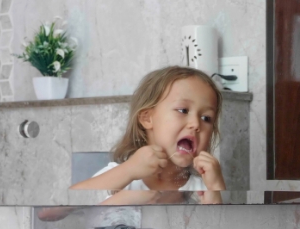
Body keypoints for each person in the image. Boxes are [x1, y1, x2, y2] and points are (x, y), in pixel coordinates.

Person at [71, 66, 226, 205]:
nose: (196, 124)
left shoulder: (203, 190)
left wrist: (217, 190)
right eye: (183, 110)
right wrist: (128, 172)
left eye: (206, 118)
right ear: (147, 118)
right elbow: (63, 206)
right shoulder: (122, 176)